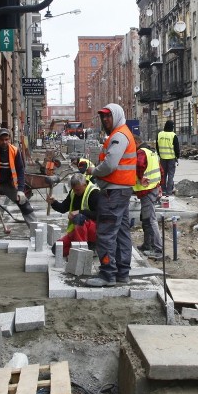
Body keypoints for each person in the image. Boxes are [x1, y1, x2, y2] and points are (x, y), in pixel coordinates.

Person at [82, 103, 137, 287]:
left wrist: (94, 170)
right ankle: (122, 273)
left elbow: (110, 164)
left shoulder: (119, 136)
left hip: (113, 192)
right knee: (121, 232)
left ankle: (107, 274)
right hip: (121, 190)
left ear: (117, 116)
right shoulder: (121, 134)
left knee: (105, 233)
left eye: (108, 116)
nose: (105, 119)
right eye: (103, 116)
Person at [0, 127, 35, 223]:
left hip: (9, 184)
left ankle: (35, 231)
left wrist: (20, 190)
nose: (4, 142)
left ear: (9, 139)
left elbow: (20, 171)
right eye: (1, 140)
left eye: (6, 139)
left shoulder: (14, 151)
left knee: (24, 203)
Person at [46, 173, 100, 258]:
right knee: (56, 249)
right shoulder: (73, 192)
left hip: (94, 231)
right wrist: (53, 202)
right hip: (78, 231)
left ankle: (82, 252)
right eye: (74, 190)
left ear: (85, 185)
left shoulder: (94, 193)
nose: (75, 192)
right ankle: (84, 249)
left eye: (78, 190)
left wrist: (80, 212)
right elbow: (63, 208)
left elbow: (100, 215)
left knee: (79, 217)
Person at [133, 136, 164, 260]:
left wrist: (140, 178)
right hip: (153, 188)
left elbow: (139, 165)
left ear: (136, 142)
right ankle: (147, 245)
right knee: (146, 218)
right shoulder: (152, 152)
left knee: (151, 219)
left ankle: (158, 249)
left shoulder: (141, 152)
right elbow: (161, 170)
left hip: (147, 189)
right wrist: (159, 185)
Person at [156, 120, 180, 196]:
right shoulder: (173, 135)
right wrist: (177, 156)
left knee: (163, 175)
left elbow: (157, 146)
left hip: (162, 158)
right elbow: (177, 148)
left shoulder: (159, 134)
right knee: (170, 175)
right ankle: (169, 192)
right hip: (171, 158)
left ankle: (162, 190)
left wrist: (160, 155)